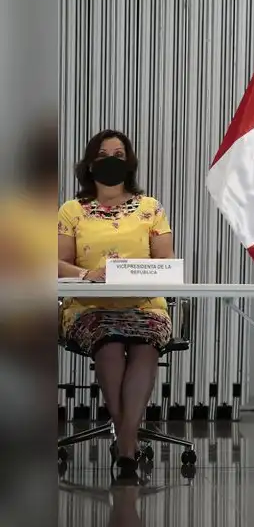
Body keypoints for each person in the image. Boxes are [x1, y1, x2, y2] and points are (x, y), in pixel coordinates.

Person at [57, 129, 175, 482]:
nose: (111, 160)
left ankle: (125, 444)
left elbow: (166, 258)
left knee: (145, 346)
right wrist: (86, 274)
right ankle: (128, 445)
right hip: (89, 307)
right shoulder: (72, 210)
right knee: (108, 344)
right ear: (90, 163)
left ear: (129, 163)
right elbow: (56, 262)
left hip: (144, 306)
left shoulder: (150, 208)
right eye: (104, 154)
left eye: (119, 155)